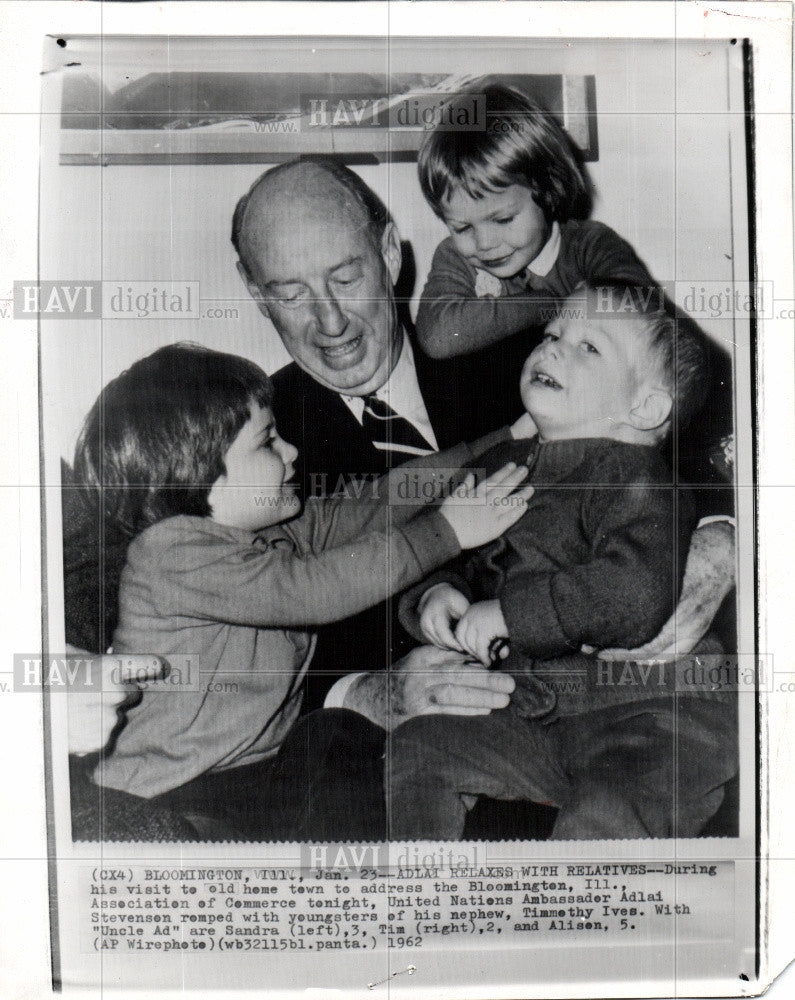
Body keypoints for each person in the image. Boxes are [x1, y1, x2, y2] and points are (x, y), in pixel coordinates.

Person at [230, 157, 736, 708]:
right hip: (421, 753)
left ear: (391, 254)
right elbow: (245, 649)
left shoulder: (543, 352)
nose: (331, 322)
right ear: (256, 294)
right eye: (291, 293)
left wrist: (720, 544)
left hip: (625, 712)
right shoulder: (246, 450)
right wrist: (363, 695)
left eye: (346, 279)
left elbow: (714, 438)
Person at [76, 342, 531, 840]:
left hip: (253, 777)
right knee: (328, 742)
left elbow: (375, 502)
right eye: (268, 442)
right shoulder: (169, 553)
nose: (291, 451)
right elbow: (310, 589)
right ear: (198, 471)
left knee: (336, 735)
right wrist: (449, 532)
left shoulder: (274, 531)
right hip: (169, 796)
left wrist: (498, 443)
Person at [389, 284, 738, 841]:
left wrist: (508, 615)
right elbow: (458, 550)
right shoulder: (499, 465)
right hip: (545, 718)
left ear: (644, 408)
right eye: (552, 335)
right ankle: (423, 901)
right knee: (418, 746)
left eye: (588, 347)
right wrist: (440, 593)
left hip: (654, 713)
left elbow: (633, 593)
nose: (552, 349)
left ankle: (576, 921)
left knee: (608, 808)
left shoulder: (639, 477)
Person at [414, 82, 658, 431]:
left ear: (548, 189)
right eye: (461, 227)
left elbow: (646, 326)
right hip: (503, 436)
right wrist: (544, 303)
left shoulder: (589, 246)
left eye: (502, 219)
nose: (483, 243)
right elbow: (438, 337)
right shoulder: (456, 258)